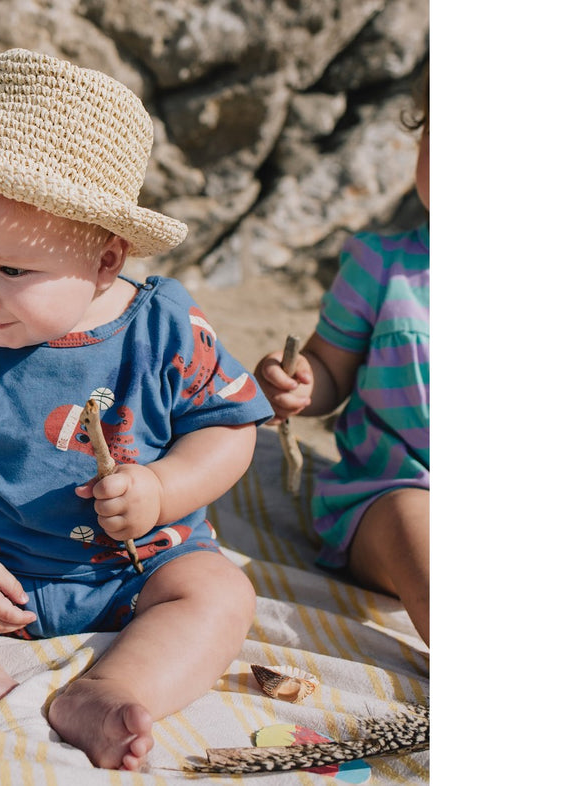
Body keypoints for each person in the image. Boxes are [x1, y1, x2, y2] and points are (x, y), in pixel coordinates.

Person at [0, 48, 273, 771]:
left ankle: (109, 689)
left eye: (11, 269)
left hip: (139, 567)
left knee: (220, 592)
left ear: (106, 261)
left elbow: (228, 431)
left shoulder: (166, 326)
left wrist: (164, 489)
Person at [252, 66, 429, 645]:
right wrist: (302, 382)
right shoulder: (382, 265)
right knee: (416, 532)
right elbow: (331, 369)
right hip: (394, 493)